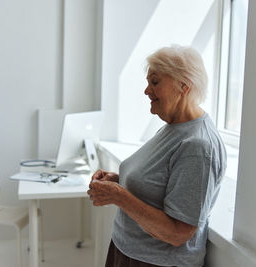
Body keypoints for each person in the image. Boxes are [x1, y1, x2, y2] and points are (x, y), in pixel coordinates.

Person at [87, 45, 227, 267]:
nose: (146, 90)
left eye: (155, 82)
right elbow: (158, 184)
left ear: (184, 86)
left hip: (154, 262)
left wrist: (119, 196)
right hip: (128, 252)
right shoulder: (174, 126)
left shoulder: (198, 147)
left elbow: (178, 233)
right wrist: (117, 181)